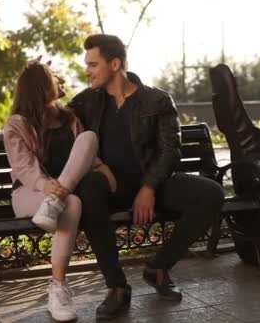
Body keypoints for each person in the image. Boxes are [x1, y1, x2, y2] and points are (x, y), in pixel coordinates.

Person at [68, 34, 225, 320]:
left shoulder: (157, 100)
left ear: (114, 64)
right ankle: (116, 287)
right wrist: (40, 79)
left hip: (153, 182)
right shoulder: (86, 102)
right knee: (89, 187)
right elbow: (52, 119)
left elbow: (170, 150)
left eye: (93, 64)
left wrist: (149, 187)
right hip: (110, 187)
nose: (87, 71)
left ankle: (158, 267)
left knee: (211, 193)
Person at [2, 60, 116, 321]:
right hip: (29, 193)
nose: (60, 80)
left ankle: (58, 288)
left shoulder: (69, 118)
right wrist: (45, 186)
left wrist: (102, 168)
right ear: (41, 86)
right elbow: (23, 168)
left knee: (87, 142)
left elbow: (85, 154)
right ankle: (58, 289)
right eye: (54, 77)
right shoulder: (16, 125)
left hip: (60, 195)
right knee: (71, 203)